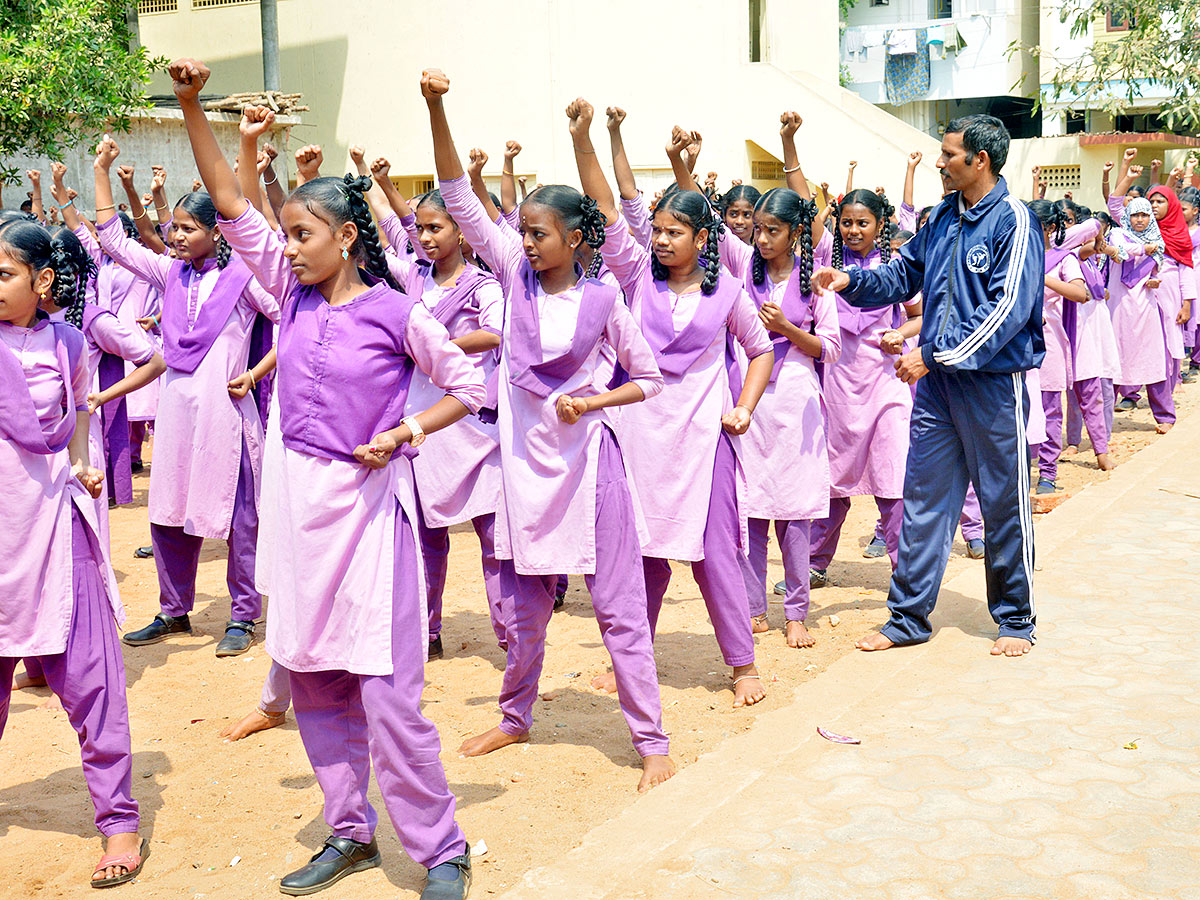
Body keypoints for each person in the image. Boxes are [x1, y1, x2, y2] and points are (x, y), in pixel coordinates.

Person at [176, 57, 482, 900]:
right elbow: (231, 205)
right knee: (312, 680)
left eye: (303, 235)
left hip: (369, 527)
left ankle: (443, 848)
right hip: (300, 522)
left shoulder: (396, 311)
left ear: (346, 237)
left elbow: (469, 386)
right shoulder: (290, 294)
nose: (291, 248)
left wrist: (407, 430)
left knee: (389, 701)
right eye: (289, 238)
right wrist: (196, 108)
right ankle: (349, 832)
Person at [426, 69, 677, 793]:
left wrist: (594, 403)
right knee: (522, 612)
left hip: (589, 473)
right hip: (523, 475)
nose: (526, 243)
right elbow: (460, 199)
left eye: (539, 234)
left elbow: (649, 378)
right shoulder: (510, 276)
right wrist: (438, 105)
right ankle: (515, 715)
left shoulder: (605, 301)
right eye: (524, 233)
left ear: (574, 237)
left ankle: (651, 739)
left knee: (619, 611)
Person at [812, 114, 1043, 657]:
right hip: (939, 389)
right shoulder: (942, 217)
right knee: (924, 500)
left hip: (990, 387)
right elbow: (903, 274)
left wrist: (933, 356)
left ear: (979, 161)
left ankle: (1015, 619)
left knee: (1003, 503)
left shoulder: (1013, 220)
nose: (938, 162)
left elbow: (1006, 311)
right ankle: (908, 618)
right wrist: (852, 281)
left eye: (948, 154)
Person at [576, 109, 774, 707]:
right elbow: (605, 206)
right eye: (656, 230)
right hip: (638, 432)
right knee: (639, 553)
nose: (660, 240)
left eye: (673, 232)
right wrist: (585, 136)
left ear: (702, 239)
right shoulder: (636, 276)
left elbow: (761, 351)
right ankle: (629, 663)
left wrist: (743, 406)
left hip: (702, 435)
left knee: (715, 552)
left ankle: (742, 664)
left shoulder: (728, 291)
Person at [93, 136, 281, 658]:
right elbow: (114, 241)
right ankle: (174, 609)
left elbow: (295, 319)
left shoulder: (246, 279)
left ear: (215, 233)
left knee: (239, 515)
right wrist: (102, 171)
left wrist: (256, 371)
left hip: (226, 411)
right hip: (177, 411)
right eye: (173, 227)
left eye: (187, 228)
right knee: (169, 507)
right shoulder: (169, 272)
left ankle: (243, 615)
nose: (175, 236)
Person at [0, 219, 146, 887]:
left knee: (93, 683)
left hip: (56, 528)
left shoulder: (67, 345)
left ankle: (119, 821)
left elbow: (77, 429)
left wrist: (86, 468)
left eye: (4, 274)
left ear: (43, 281)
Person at [718, 187, 840, 648]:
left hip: (795, 403)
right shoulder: (743, 269)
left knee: (794, 515)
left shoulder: (815, 282)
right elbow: (705, 216)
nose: (762, 238)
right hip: (749, 400)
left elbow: (831, 348)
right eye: (758, 230)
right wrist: (682, 162)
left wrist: (787, 329)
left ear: (795, 233)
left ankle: (796, 613)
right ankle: (754, 610)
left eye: (773, 231)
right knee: (750, 509)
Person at [808, 188, 922, 582]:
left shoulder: (896, 268)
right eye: (847, 223)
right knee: (833, 479)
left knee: (892, 476)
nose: (854, 230)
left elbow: (921, 314)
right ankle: (813, 563)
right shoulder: (826, 262)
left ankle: (903, 571)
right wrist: (790, 143)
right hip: (839, 386)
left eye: (863, 223)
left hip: (887, 382)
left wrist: (900, 332)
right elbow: (805, 206)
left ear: (880, 225)